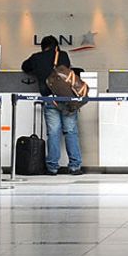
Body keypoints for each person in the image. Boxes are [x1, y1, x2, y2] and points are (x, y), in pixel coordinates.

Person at [22, 35, 83, 176]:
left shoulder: (36, 57)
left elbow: (24, 67)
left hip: (50, 99)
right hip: (67, 98)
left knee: (53, 133)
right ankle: (74, 166)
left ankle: (52, 167)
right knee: (70, 131)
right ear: (56, 46)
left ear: (43, 46)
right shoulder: (63, 55)